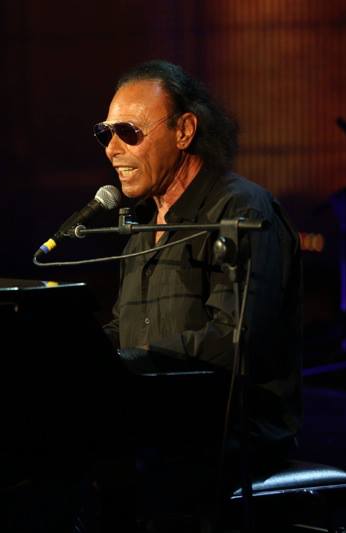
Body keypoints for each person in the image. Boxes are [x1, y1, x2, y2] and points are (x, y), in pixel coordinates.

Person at [92, 60, 303, 531]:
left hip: (226, 436)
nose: (112, 149)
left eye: (128, 132)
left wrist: (127, 363)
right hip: (155, 426)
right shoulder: (142, 225)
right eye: (105, 133)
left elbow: (235, 339)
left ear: (185, 130)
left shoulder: (240, 210)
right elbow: (127, 327)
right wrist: (77, 355)